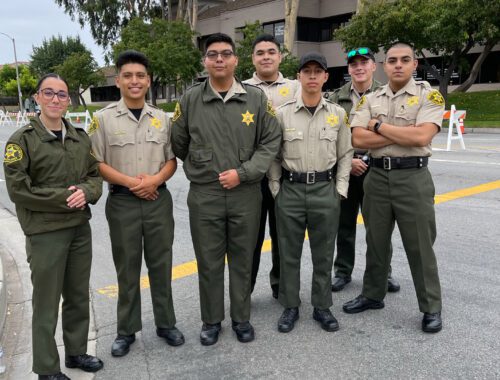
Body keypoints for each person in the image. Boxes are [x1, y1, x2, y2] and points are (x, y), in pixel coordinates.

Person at [171, 33, 281, 346]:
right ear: (205, 61)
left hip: (245, 194)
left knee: (243, 258)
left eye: (226, 54)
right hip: (205, 194)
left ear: (235, 60)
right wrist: (202, 164)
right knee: (208, 261)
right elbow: (178, 142)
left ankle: (241, 318)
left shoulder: (255, 98)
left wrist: (244, 173)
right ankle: (211, 320)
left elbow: (271, 139)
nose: (219, 59)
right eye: (213, 54)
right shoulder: (190, 99)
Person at [4, 73, 103, 380]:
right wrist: (65, 198)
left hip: (78, 229)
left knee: (77, 296)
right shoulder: (21, 141)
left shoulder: (78, 137)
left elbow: (95, 176)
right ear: (37, 97)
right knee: (46, 302)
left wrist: (86, 192)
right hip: (46, 232)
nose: (56, 99)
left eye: (62, 94)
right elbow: (18, 190)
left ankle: (76, 353)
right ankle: (47, 367)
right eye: (50, 93)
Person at [343, 42, 444, 333]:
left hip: (413, 178)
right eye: (392, 60)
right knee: (376, 241)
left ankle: (431, 307)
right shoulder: (371, 98)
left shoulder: (429, 95)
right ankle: (373, 295)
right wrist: (403, 134)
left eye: (405, 60)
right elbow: (356, 140)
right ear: (384, 66)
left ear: (415, 64)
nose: (398, 65)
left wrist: (378, 127)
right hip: (377, 178)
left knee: (420, 245)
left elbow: (422, 136)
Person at [89, 50, 184, 357]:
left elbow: (172, 161)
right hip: (123, 203)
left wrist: (154, 181)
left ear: (148, 80)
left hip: (158, 200)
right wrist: (134, 183)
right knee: (127, 269)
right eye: (128, 75)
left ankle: (166, 323)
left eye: (140, 75)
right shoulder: (101, 120)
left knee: (161, 265)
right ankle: (126, 330)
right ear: (118, 80)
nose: (134, 81)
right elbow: (97, 163)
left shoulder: (162, 119)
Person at [268, 52, 353, 333]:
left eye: (318, 71)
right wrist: (276, 189)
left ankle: (322, 306)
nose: (313, 76)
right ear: (299, 77)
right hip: (290, 190)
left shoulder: (338, 114)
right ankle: (290, 305)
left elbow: (345, 154)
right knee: (288, 253)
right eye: (307, 71)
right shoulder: (282, 114)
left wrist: (340, 190)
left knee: (323, 253)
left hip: (324, 191)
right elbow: (273, 156)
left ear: (326, 77)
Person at [326, 47, 400, 293]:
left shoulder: (386, 95)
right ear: (348, 69)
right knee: (343, 224)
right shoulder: (336, 98)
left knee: (378, 227)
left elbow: (392, 132)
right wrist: (347, 162)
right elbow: (330, 136)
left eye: (363, 62)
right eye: (353, 64)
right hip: (346, 170)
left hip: (376, 169)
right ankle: (343, 271)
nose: (358, 67)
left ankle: (382, 273)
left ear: (373, 66)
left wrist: (366, 156)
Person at [243, 34, 300, 299]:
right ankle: (244, 290)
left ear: (279, 56)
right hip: (252, 177)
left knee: (284, 237)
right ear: (252, 58)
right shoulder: (240, 89)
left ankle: (283, 288)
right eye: (260, 52)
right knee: (249, 240)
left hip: (286, 176)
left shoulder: (296, 88)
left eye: (271, 52)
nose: (266, 56)